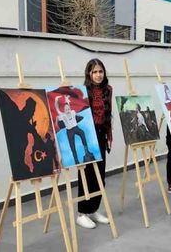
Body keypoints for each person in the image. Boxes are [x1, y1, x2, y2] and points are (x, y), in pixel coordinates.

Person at [76, 59, 113, 229]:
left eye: (101, 71)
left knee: (100, 176)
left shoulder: (108, 90)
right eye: (95, 72)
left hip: (101, 135)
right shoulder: (82, 92)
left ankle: (94, 209)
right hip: (87, 136)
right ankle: (82, 213)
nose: (98, 75)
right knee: (87, 176)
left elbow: (109, 113)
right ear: (89, 74)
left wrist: (109, 135)